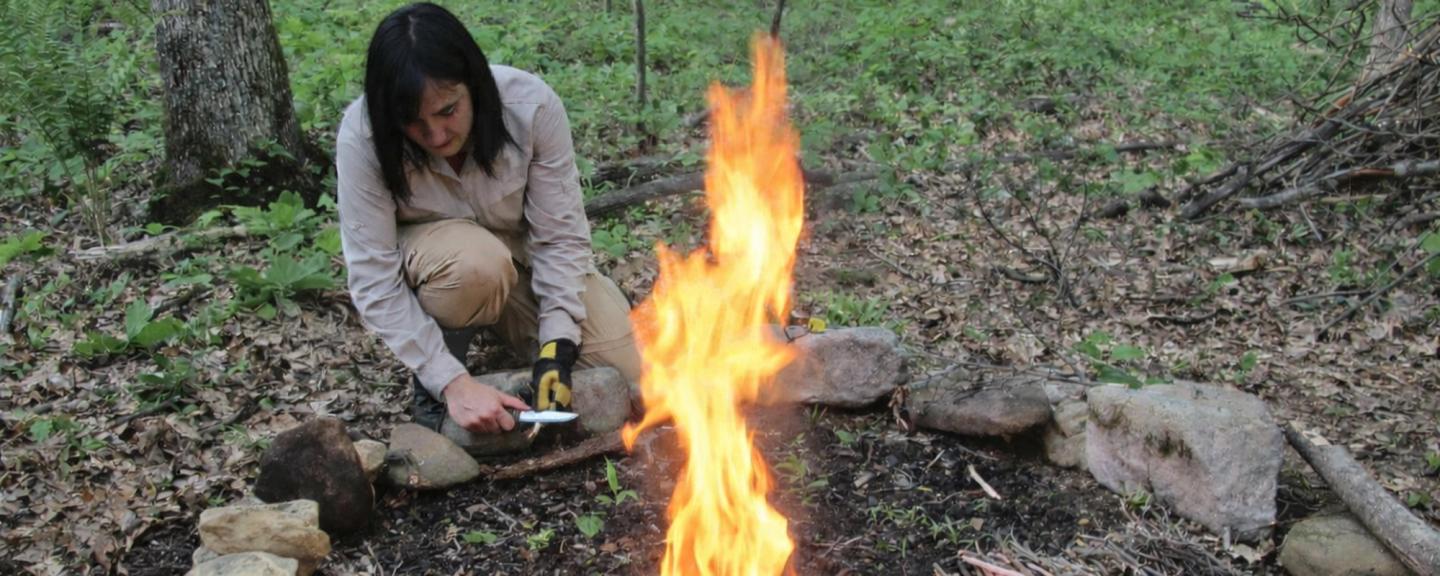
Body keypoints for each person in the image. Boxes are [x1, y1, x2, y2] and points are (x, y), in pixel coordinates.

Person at [335, 2, 641, 436]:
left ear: (473, 84)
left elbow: (559, 238)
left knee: (629, 369)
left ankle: (535, 323)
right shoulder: (362, 136)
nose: (437, 136)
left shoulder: (529, 108)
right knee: (476, 266)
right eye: (414, 123)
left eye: (447, 110)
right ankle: (443, 369)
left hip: (520, 258)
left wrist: (557, 347)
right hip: (443, 263)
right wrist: (451, 383)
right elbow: (373, 277)